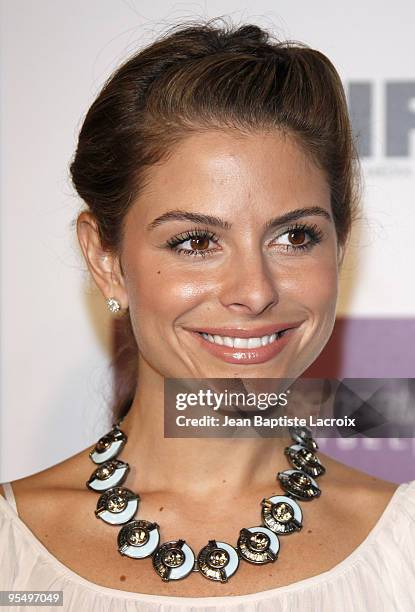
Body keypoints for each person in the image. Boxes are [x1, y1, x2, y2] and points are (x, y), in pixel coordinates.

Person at [1, 17, 414, 612]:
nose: (254, 290)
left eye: (295, 236)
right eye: (195, 242)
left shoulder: (405, 549)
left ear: (341, 246)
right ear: (106, 259)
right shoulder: (10, 551)